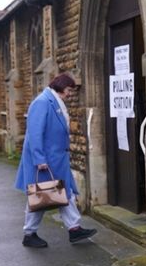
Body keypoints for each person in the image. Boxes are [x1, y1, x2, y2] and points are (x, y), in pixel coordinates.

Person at [14, 73, 97, 248]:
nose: (69, 94)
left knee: (64, 194)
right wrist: (39, 159)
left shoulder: (53, 101)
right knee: (41, 196)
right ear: (60, 87)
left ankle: (74, 229)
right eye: (68, 90)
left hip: (56, 159)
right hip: (46, 161)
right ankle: (29, 234)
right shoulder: (42, 102)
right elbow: (34, 134)